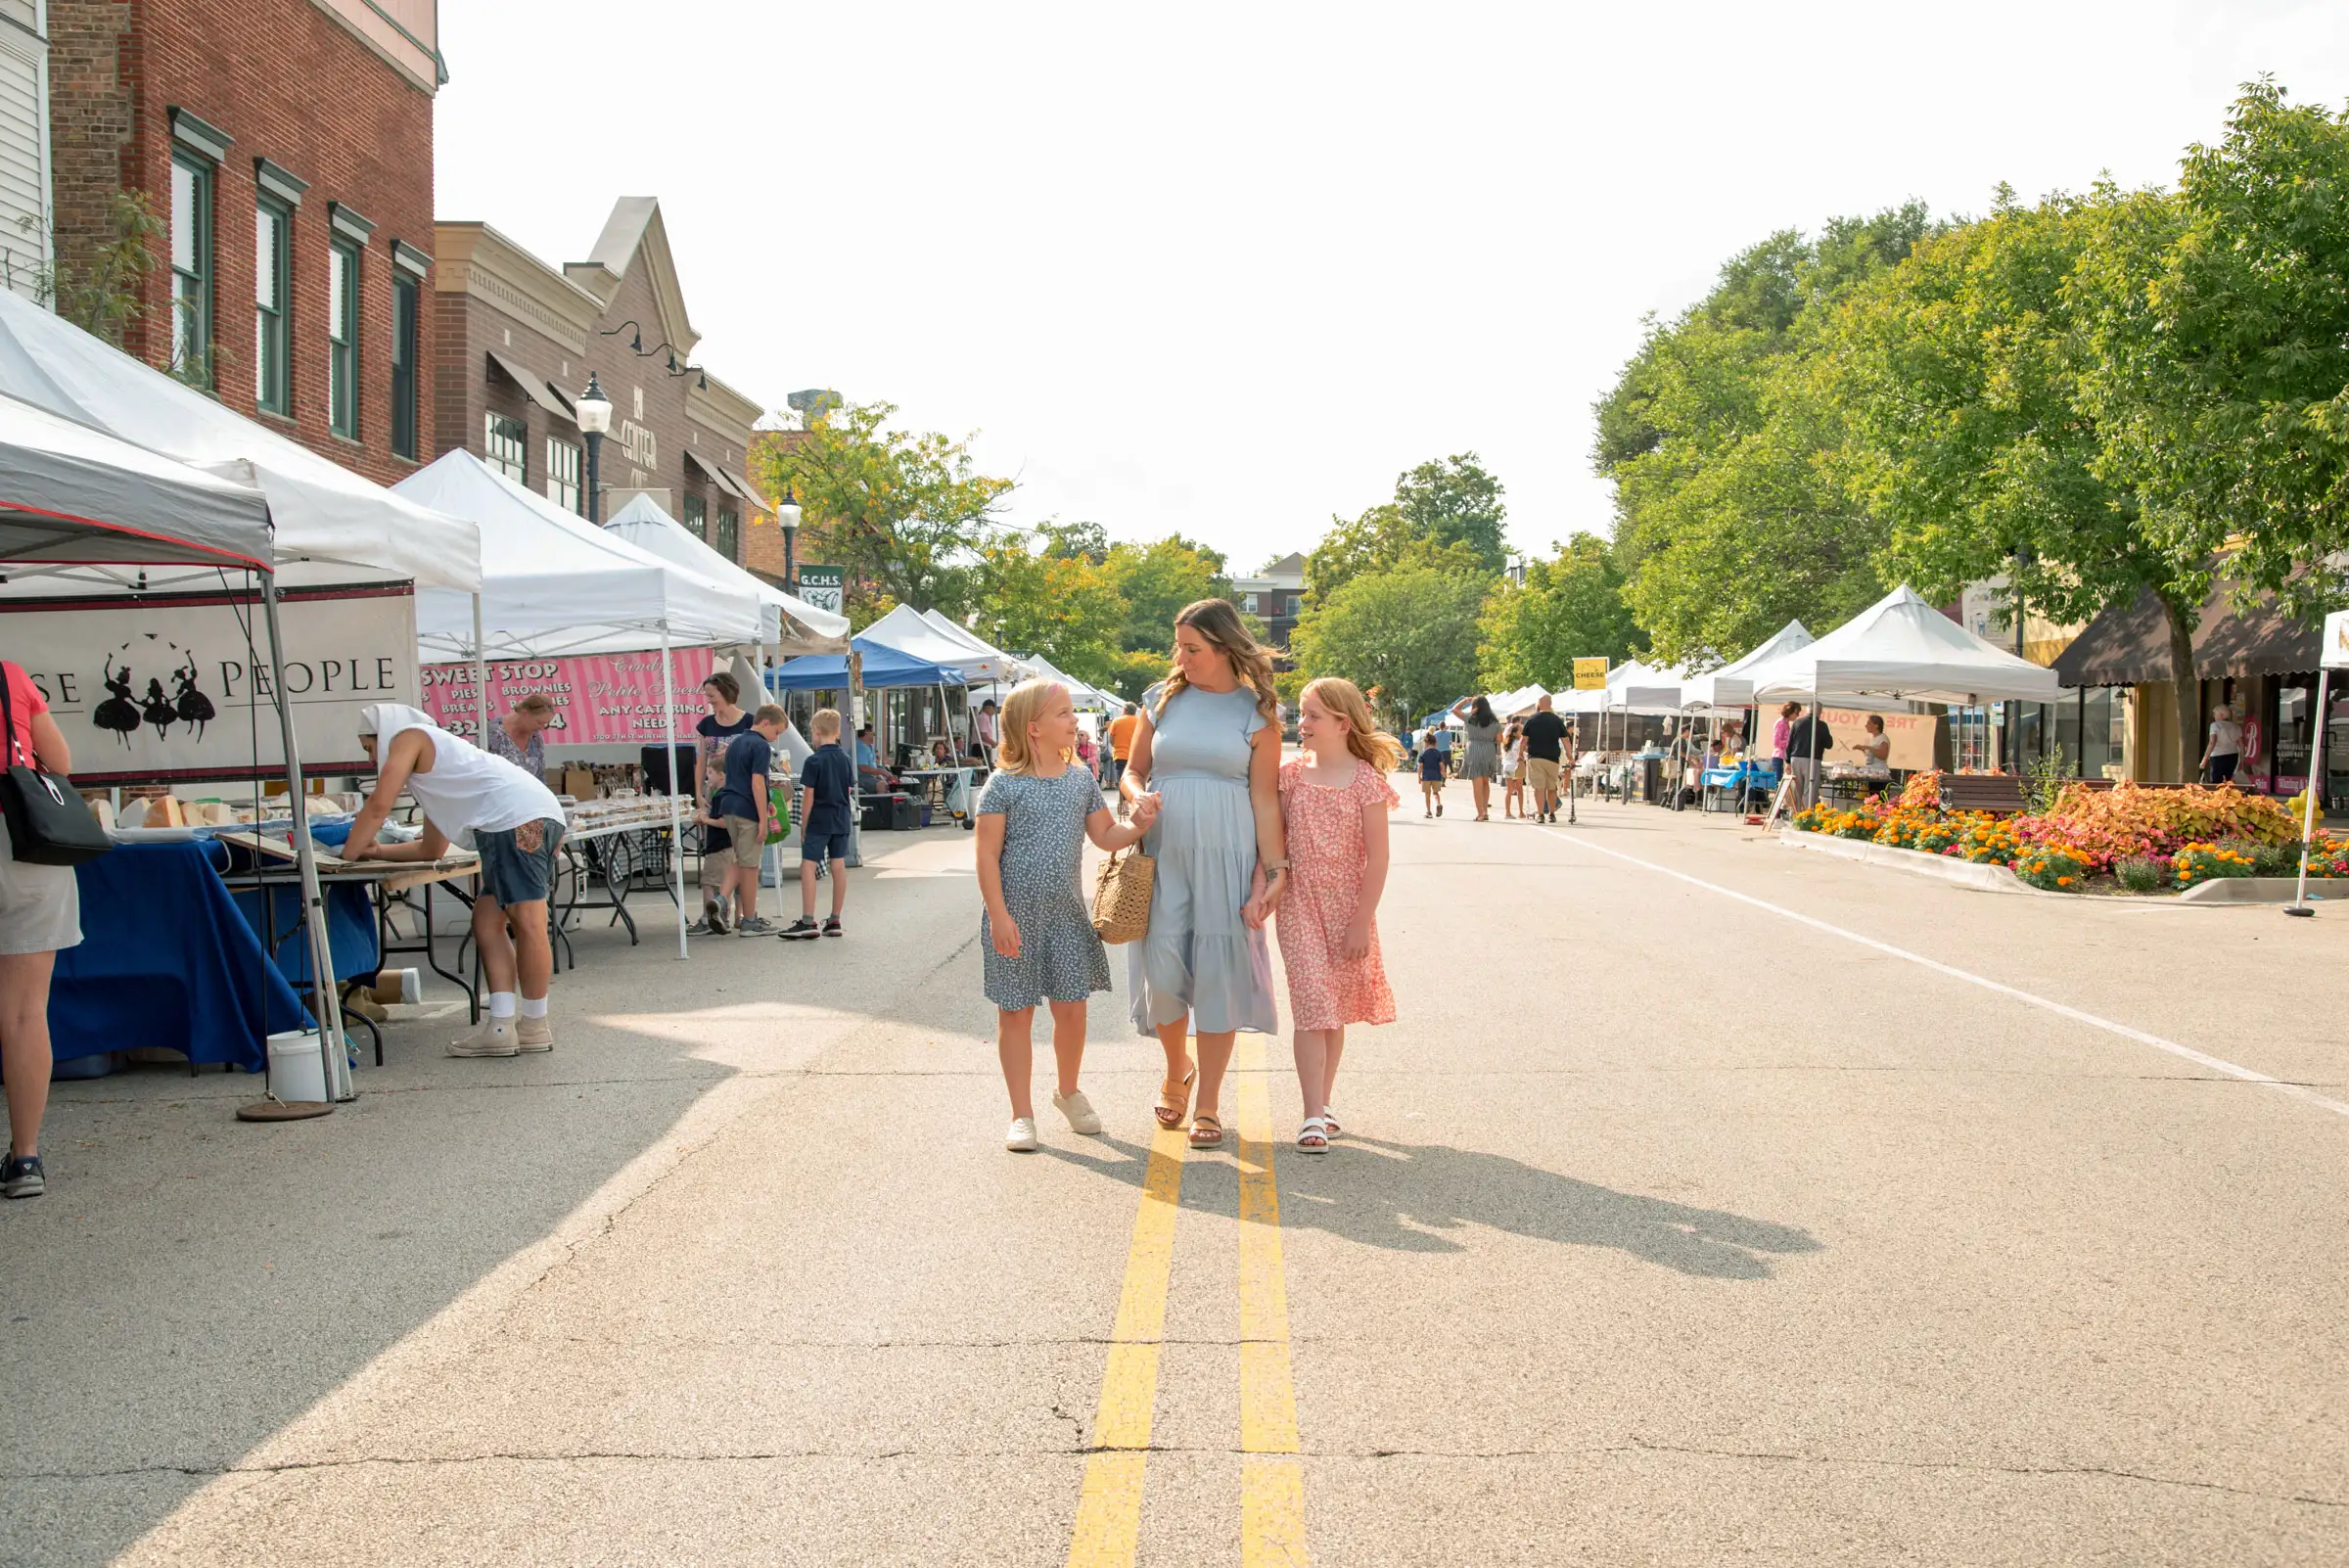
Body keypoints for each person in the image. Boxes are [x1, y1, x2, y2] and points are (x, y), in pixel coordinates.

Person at [1117, 598, 1287, 1150]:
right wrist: (1137, 799)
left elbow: (1264, 800)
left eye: (1193, 648)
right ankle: (1176, 1068)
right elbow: (1132, 771)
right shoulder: (1161, 701)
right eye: (1180, 647)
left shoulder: (1256, 714)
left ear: (1223, 647)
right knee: (1164, 973)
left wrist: (1275, 871)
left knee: (1216, 976)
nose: (1182, 658)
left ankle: (1209, 1101)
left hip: (1229, 858)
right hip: (1164, 854)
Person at [978, 679, 1158, 1152]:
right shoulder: (1003, 785)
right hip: (1013, 915)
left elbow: (1105, 836)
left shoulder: (1079, 779)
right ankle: (1021, 1113)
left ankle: (1069, 1090)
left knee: (1072, 1011)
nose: (1073, 720)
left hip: (1065, 916)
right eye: (1062, 713)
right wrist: (998, 915)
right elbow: (985, 856)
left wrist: (1136, 824)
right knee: (1015, 1014)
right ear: (1033, 728)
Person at [345, 704, 567, 1057]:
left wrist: (348, 853)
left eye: (369, 747)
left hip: (516, 823)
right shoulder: (440, 767)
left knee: (528, 922)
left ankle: (533, 1025)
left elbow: (378, 803)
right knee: (488, 920)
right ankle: (503, 1024)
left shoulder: (410, 737)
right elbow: (433, 847)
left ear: (383, 733)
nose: (372, 757)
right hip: (528, 820)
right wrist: (377, 852)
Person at [1275, 678, 1400, 1152]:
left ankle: (1323, 1102)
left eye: (1312, 716)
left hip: (1348, 906)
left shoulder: (1367, 782)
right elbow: (1277, 842)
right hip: (1299, 904)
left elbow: (1378, 858)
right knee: (1311, 1004)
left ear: (1343, 724)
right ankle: (1310, 1115)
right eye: (1301, 715)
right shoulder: (1291, 776)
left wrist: (1360, 921)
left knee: (1333, 1010)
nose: (1301, 724)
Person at [0, 659, 81, 1198]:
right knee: (27, 1012)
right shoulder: (10, 674)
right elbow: (60, 761)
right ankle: (25, 1158)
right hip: (23, 839)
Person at [709, 705, 786, 937]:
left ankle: (721, 900)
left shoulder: (736, 742)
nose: (777, 737)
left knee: (741, 858)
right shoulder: (761, 746)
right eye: (777, 732)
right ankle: (750, 920)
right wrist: (763, 818)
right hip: (747, 809)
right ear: (765, 723)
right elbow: (757, 782)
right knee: (751, 866)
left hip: (728, 806)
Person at [781, 708, 855, 940]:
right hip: (841, 817)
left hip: (819, 818)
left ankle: (808, 920)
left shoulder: (813, 761)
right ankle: (835, 918)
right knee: (838, 864)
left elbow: (808, 796)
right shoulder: (845, 758)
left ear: (816, 731)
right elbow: (849, 789)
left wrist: (804, 825)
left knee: (808, 865)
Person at [690, 673, 755, 936]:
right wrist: (697, 791)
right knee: (718, 850)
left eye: (712, 694)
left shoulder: (749, 722)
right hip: (715, 792)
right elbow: (701, 760)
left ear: (726, 692)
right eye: (707, 695)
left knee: (741, 852)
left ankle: (741, 913)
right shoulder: (706, 725)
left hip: (741, 795)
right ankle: (719, 913)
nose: (709, 699)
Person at [1450, 694, 1504, 821]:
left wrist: (1465, 700)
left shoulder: (1470, 718)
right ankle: (1485, 811)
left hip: (1474, 748)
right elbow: (1499, 739)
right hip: (1489, 749)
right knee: (1486, 782)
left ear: (1475, 706)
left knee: (1477, 783)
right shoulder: (1494, 721)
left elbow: (1454, 710)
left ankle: (1480, 812)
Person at [1521, 694, 1569, 823]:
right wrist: (1571, 758)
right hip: (1552, 758)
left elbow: (1523, 740)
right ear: (1550, 704)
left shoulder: (1531, 720)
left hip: (1535, 758)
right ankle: (1552, 813)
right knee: (1551, 787)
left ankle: (1541, 814)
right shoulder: (1557, 721)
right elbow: (1566, 741)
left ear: (1539, 704)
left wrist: (1520, 755)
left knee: (1539, 787)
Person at [485, 692, 555, 778]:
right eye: (539, 722)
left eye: (545, 724)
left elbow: (540, 775)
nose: (542, 728)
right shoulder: (492, 733)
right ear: (525, 713)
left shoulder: (535, 737)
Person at [1784, 704, 1835, 808]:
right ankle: (1807, 814)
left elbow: (1789, 742)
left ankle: (1795, 813)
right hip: (1813, 759)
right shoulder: (1822, 725)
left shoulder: (1797, 722)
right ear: (1820, 712)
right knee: (1810, 788)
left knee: (1796, 788)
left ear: (1807, 711)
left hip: (1796, 758)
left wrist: (1787, 761)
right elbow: (1829, 744)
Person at [1106, 701, 1140, 806]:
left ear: (1124, 710)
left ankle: (1124, 803)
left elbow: (1111, 740)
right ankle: (1137, 801)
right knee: (1136, 779)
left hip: (1120, 754)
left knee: (1122, 779)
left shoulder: (1117, 721)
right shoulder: (1139, 721)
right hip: (1135, 755)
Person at [2202, 704, 2242, 785]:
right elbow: (2241, 744)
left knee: (2216, 782)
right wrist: (2242, 760)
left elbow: (2212, 742)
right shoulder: (2236, 727)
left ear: (2221, 715)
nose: (2214, 717)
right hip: (2233, 755)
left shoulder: (2215, 726)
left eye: (2215, 715)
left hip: (2218, 756)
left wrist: (2204, 759)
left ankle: (2217, 797)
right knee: (2228, 781)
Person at [1416, 730, 1448, 816]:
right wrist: (1443, 772)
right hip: (1436, 776)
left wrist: (1419, 776)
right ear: (1434, 743)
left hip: (1426, 777)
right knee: (1436, 792)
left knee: (1427, 794)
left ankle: (1429, 812)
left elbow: (1420, 767)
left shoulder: (1423, 753)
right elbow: (1441, 764)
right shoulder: (1438, 752)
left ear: (1426, 743)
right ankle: (1438, 803)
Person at [1501, 720, 1528, 820]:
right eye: (1520, 731)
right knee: (1520, 789)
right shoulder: (1519, 743)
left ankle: (1507, 812)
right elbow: (1523, 755)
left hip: (1507, 767)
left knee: (1509, 790)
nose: (1522, 733)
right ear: (1515, 733)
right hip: (1516, 767)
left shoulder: (1506, 743)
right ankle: (1521, 812)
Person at [974, 698, 1000, 763]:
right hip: (980, 747)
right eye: (993, 709)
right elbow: (983, 735)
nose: (994, 711)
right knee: (984, 768)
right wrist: (993, 743)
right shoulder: (983, 717)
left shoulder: (984, 717)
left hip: (982, 746)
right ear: (988, 707)